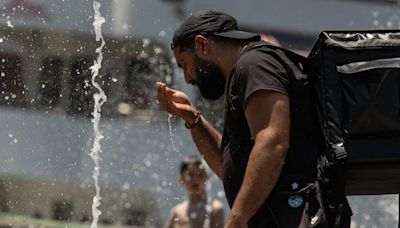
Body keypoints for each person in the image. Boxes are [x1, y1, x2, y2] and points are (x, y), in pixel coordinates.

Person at [156, 10, 351, 227]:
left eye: (184, 64)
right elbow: (229, 168)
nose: (187, 78)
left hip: (298, 216)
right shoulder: (244, 73)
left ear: (202, 45)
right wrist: (193, 119)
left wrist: (237, 219)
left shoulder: (255, 64)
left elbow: (273, 143)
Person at [164, 155, 225, 228]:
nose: (196, 180)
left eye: (200, 175)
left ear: (207, 178)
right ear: (181, 179)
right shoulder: (177, 212)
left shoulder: (215, 209)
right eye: (190, 175)